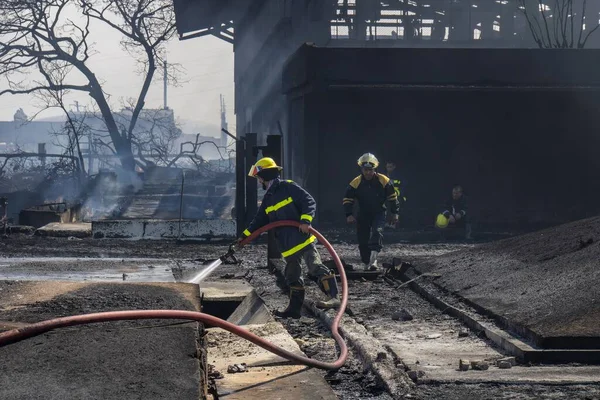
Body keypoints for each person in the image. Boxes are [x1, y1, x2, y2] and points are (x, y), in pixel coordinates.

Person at [238, 157, 340, 319]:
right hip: (287, 246)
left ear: (265, 175)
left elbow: (309, 201)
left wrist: (305, 221)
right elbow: (258, 221)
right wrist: (243, 237)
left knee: (314, 267)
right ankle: (294, 310)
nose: (259, 182)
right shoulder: (268, 198)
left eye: (259, 178)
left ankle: (334, 297)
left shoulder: (288, 187)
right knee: (292, 276)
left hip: (302, 239)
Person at [343, 153, 399, 271]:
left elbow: (393, 198)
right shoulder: (355, 182)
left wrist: (395, 213)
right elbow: (348, 199)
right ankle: (366, 262)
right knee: (362, 239)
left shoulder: (384, 180)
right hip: (363, 213)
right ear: (361, 169)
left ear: (375, 169)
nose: (368, 172)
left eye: (370, 170)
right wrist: (349, 214)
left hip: (379, 212)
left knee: (377, 232)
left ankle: (373, 260)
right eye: (365, 170)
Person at [385, 161, 407, 227]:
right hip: (386, 197)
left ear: (394, 167)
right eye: (388, 167)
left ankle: (395, 224)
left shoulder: (400, 177)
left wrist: (398, 194)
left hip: (397, 197)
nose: (389, 169)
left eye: (390, 167)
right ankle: (387, 223)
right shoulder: (384, 177)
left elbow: (403, 187)